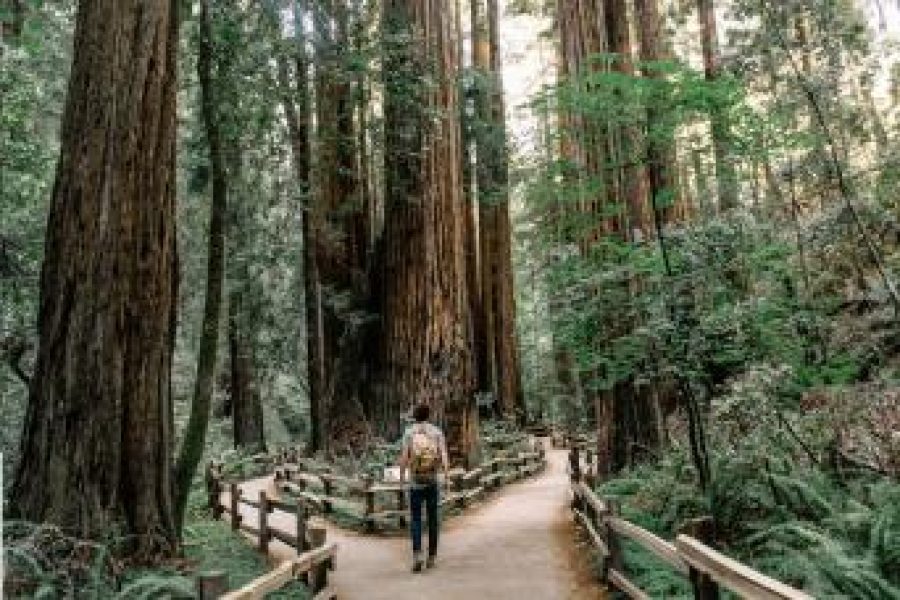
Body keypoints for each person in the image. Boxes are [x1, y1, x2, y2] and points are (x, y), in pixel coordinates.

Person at [398, 402, 449, 573]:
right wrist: (447, 476)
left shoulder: (409, 432)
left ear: (414, 416)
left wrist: (402, 477)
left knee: (416, 519)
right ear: (428, 415)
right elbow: (443, 455)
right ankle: (432, 556)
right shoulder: (436, 432)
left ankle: (417, 554)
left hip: (415, 482)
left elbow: (405, 457)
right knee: (433, 519)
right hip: (432, 481)